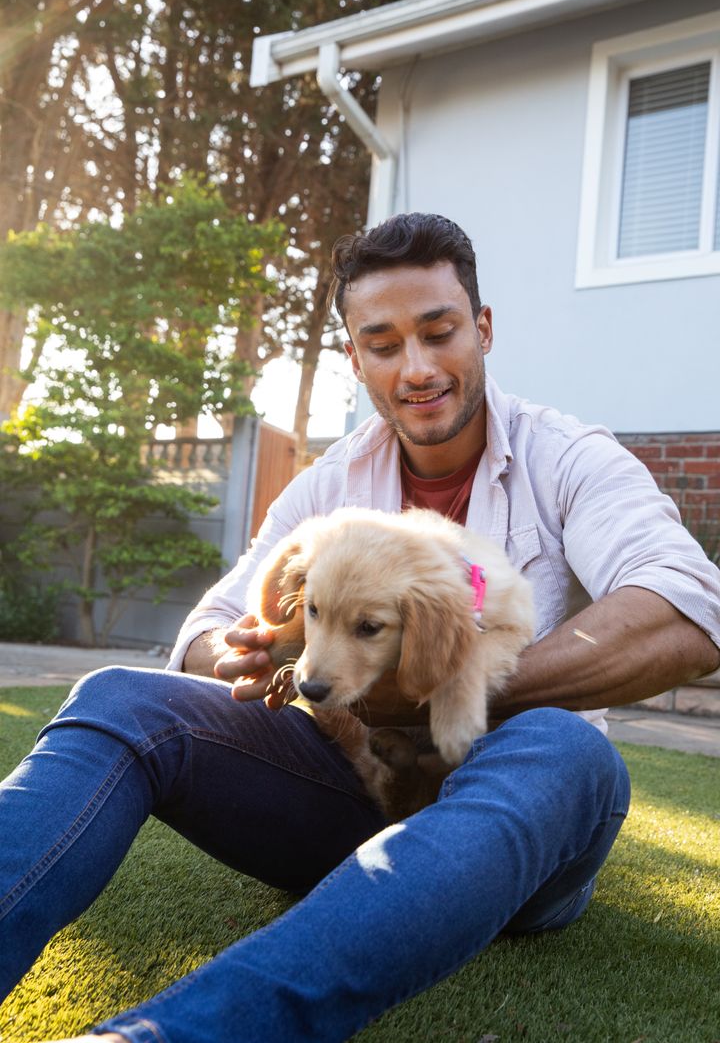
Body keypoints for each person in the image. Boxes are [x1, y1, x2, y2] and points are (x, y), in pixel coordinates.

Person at [2, 213, 719, 1043]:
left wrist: (443, 687)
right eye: (383, 344)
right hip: (350, 792)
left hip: (522, 819)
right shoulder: (333, 482)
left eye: (439, 332)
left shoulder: (571, 459)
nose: (416, 368)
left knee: (570, 750)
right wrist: (262, 649)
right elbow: (206, 629)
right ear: (357, 359)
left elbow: (684, 613)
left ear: (482, 330)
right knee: (120, 697)